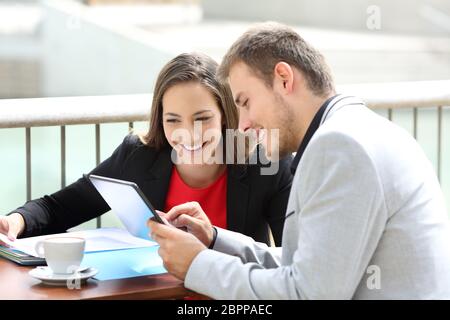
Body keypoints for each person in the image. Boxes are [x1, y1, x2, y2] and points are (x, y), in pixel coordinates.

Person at [148, 23, 450, 299]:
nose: (242, 125)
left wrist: (198, 265)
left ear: (283, 79)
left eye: (245, 102)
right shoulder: (356, 131)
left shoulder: (340, 147)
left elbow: (307, 294)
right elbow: (310, 265)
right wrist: (214, 240)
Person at [0, 52, 293, 247]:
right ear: (160, 120)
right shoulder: (138, 156)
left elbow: (293, 262)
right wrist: (14, 222)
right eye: (173, 120)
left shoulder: (266, 163)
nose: (187, 134)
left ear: (225, 116)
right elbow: (58, 208)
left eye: (202, 119)